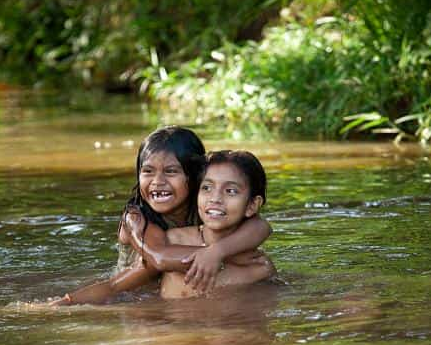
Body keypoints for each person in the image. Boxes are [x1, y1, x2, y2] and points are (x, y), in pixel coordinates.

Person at [52, 127, 271, 305]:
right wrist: (224, 255)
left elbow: (261, 226)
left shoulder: (206, 202)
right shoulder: (136, 218)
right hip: (136, 286)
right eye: (147, 171)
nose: (157, 181)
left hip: (182, 278)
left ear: (194, 177)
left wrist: (219, 251)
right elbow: (157, 258)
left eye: (171, 171)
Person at [160, 150, 276, 299]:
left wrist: (218, 254)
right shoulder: (172, 240)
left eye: (230, 191)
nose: (215, 198)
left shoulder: (258, 268)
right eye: (207, 188)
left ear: (252, 205)